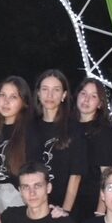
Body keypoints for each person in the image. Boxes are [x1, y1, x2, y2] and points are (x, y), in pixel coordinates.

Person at [34, 69, 87, 215]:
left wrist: (65, 210)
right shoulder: (30, 126)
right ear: (38, 93)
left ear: (64, 95)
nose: (49, 95)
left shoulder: (74, 128)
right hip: (35, 206)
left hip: (63, 207)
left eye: (56, 90)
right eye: (45, 89)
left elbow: (76, 174)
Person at [0, 76, 40, 212]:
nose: (6, 101)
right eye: (2, 95)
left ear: (24, 102)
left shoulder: (30, 132)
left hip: (16, 197)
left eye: (13, 97)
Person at [71, 77, 112, 221]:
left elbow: (106, 175)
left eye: (93, 96)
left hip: (89, 202)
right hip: (67, 199)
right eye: (83, 93)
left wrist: (100, 212)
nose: (86, 99)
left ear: (100, 103)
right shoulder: (68, 126)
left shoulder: (103, 132)